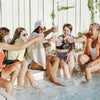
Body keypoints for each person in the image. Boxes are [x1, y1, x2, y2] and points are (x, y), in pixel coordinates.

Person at [0, 27, 47, 95]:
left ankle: (13, 88)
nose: (9, 37)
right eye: (8, 35)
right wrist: (36, 38)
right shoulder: (1, 45)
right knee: (8, 85)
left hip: (1, 72)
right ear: (3, 35)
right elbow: (21, 47)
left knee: (17, 66)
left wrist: (47, 40)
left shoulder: (3, 45)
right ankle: (12, 88)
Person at [26, 20, 64, 86]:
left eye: (44, 29)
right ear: (36, 29)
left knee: (56, 59)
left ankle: (51, 78)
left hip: (41, 58)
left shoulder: (40, 34)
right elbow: (39, 39)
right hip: (32, 62)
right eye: (41, 29)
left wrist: (51, 30)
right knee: (48, 64)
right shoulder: (32, 36)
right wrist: (49, 39)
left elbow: (43, 35)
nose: (43, 30)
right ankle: (55, 81)